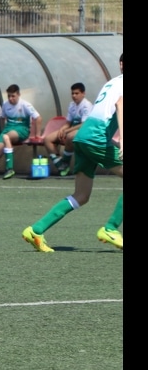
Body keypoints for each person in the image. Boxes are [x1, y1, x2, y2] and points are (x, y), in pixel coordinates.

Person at [23, 54, 122, 252]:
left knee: (81, 195)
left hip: (84, 137)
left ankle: (36, 230)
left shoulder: (112, 82)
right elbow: (120, 106)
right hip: (95, 136)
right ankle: (110, 228)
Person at [43, 82, 92, 175]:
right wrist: (62, 129)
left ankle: (65, 163)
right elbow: (68, 122)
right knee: (47, 139)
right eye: (72, 93)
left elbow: (84, 124)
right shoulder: (72, 105)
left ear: (83, 93)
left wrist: (67, 131)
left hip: (85, 130)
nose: (74, 96)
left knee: (69, 136)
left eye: (76, 93)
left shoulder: (87, 105)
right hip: (72, 129)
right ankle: (60, 164)